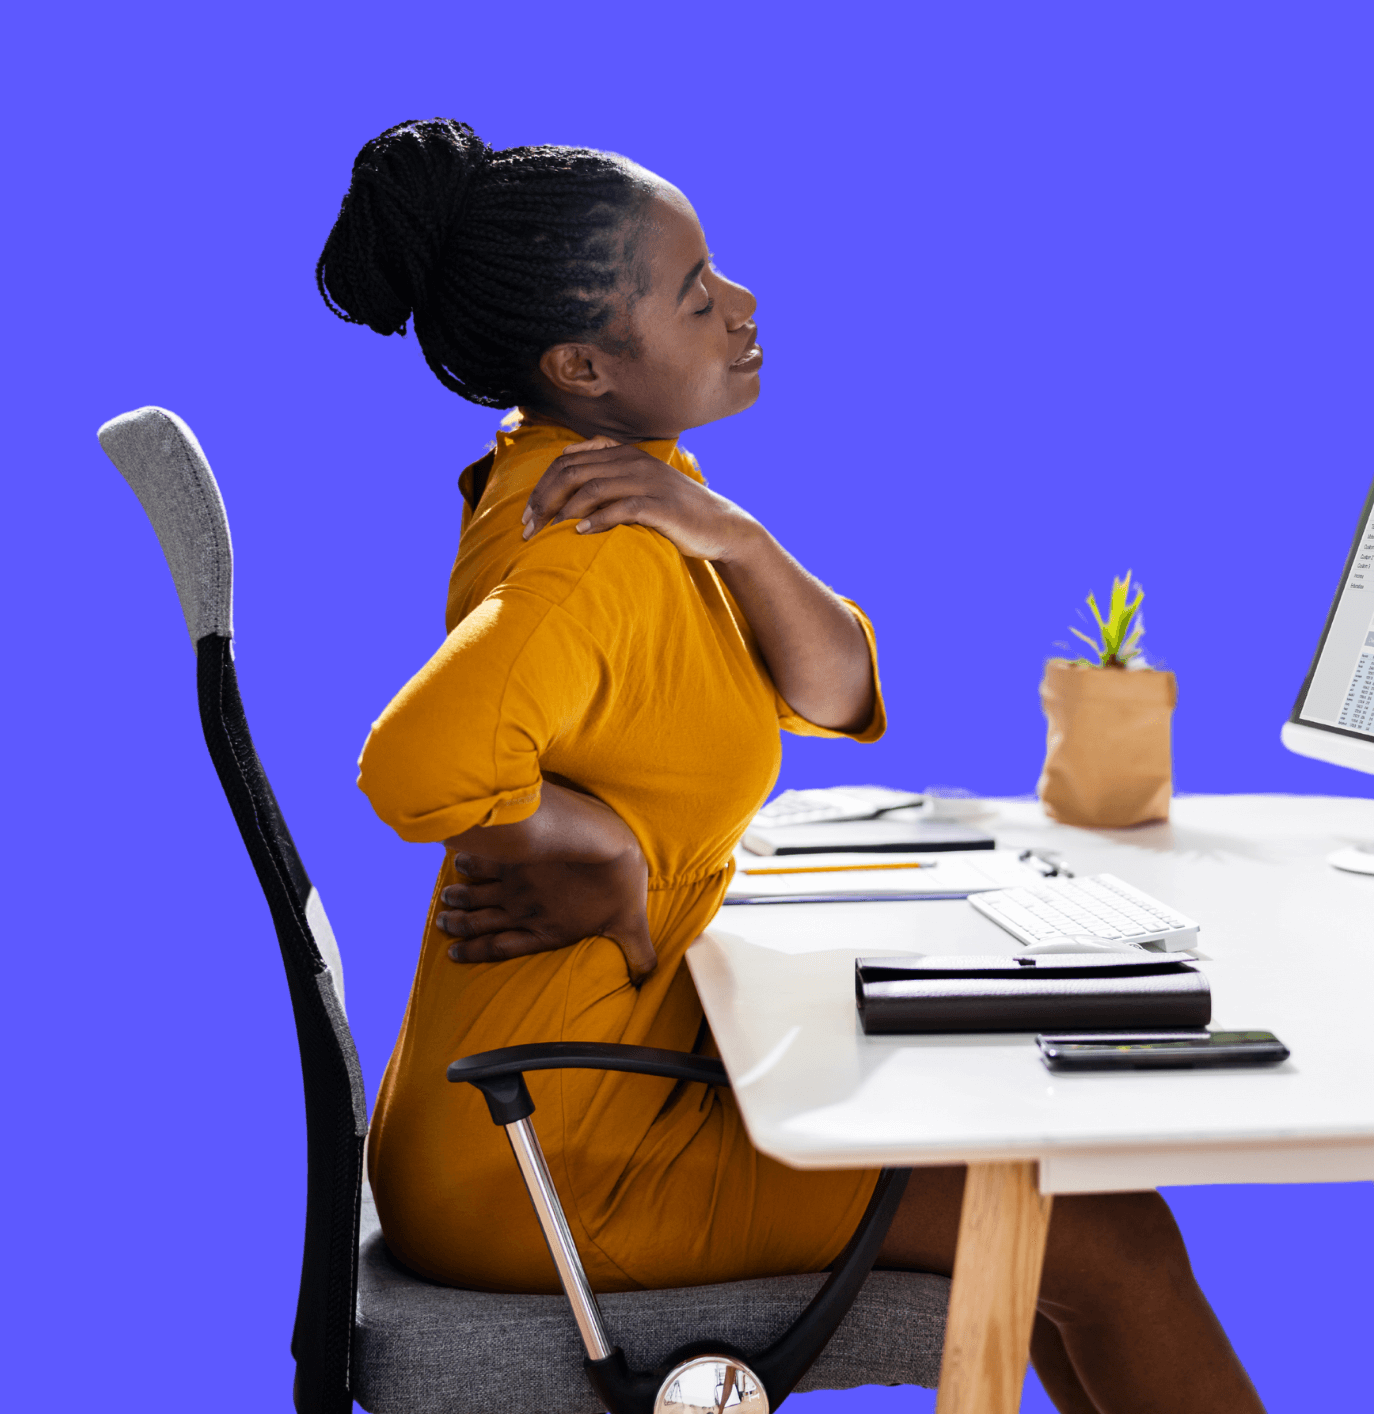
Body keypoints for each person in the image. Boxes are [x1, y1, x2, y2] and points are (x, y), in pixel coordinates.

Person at [322, 117, 1263, 1414]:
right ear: (583, 364)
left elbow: (837, 687)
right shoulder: (591, 546)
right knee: (1108, 1233)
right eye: (694, 293)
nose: (743, 304)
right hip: (553, 1170)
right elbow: (411, 763)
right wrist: (602, 854)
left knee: (1062, 1198)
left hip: (540, 1116)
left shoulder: (638, 489)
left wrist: (742, 540)